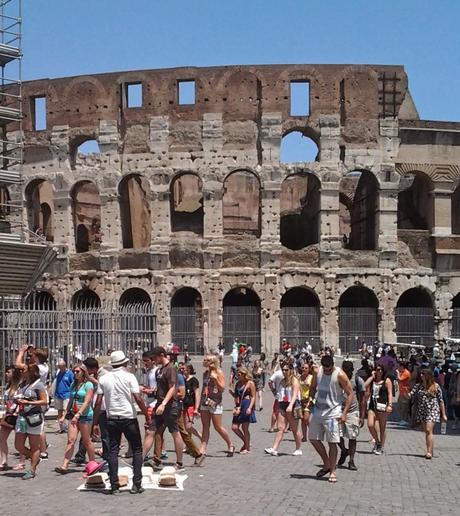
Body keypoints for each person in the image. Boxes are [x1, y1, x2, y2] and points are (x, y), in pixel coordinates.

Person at [94, 350, 149, 495]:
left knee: (113, 451)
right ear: (124, 362)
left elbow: (98, 402)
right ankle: (137, 484)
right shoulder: (130, 376)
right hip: (128, 418)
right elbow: (138, 398)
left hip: (112, 418)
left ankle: (114, 485)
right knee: (137, 449)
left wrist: (95, 423)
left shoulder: (104, 379)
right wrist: (146, 415)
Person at [309, 354, 353, 484]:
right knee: (313, 438)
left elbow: (350, 394)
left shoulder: (340, 375)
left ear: (333, 365)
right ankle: (327, 463)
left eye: (329, 369)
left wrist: (344, 413)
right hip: (318, 411)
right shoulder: (318, 371)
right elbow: (313, 387)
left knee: (332, 443)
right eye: (325, 369)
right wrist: (311, 399)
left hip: (333, 413)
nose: (327, 372)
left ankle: (333, 471)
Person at [55, 364, 96, 473]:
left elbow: (87, 401)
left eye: (77, 371)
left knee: (86, 441)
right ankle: (65, 465)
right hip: (73, 414)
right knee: (70, 440)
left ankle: (93, 463)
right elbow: (70, 400)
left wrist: (79, 414)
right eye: (74, 371)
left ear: (83, 372)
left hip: (85, 416)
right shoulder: (74, 384)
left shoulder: (88, 384)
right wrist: (65, 414)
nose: (75, 373)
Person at [149, 346, 185, 471]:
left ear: (161, 355)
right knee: (151, 431)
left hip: (169, 406)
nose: (153, 360)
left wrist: (164, 403)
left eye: (154, 357)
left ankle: (179, 462)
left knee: (175, 432)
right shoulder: (160, 370)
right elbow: (162, 388)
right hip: (159, 405)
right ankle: (141, 459)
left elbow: (172, 387)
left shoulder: (170, 369)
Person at [14, 364, 48, 480]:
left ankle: (32, 469)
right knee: (18, 445)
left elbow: (44, 401)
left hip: (34, 417)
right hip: (22, 416)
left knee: (34, 445)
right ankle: (35, 458)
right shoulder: (22, 384)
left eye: (24, 370)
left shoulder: (38, 385)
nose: (22, 372)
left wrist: (29, 403)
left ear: (31, 372)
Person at [199, 355, 234, 457]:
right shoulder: (205, 373)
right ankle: (202, 448)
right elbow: (204, 387)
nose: (204, 361)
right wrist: (199, 403)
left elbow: (222, 388)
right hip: (205, 401)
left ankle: (230, 444)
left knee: (217, 427)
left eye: (206, 360)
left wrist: (215, 379)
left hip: (215, 402)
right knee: (205, 426)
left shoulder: (219, 372)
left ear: (212, 362)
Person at [264, 363, 302, 456]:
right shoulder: (282, 381)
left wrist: (291, 405)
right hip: (282, 404)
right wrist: (276, 397)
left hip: (293, 405)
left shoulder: (294, 380)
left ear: (291, 370)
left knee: (294, 428)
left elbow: (295, 394)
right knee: (280, 427)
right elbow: (279, 393)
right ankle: (274, 448)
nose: (284, 372)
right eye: (283, 370)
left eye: (286, 370)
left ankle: (298, 448)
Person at [410, 368, 447, 459]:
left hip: (432, 410)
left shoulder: (435, 386)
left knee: (428, 429)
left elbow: (441, 400)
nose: (421, 375)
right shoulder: (418, 386)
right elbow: (411, 394)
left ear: (428, 375)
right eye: (421, 373)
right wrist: (405, 394)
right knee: (427, 432)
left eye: (423, 373)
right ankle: (430, 449)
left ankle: (429, 452)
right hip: (422, 411)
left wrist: (444, 414)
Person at [337, 361, 365, 471]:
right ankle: (344, 450)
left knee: (352, 437)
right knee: (335, 435)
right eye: (344, 370)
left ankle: (351, 460)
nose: (346, 372)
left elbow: (362, 399)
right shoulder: (338, 378)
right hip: (339, 410)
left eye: (348, 370)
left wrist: (362, 416)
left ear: (352, 370)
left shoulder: (357, 380)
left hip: (353, 411)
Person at [364, 364, 393, 455]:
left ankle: (381, 446)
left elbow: (390, 393)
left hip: (382, 405)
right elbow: (364, 386)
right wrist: (372, 377)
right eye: (377, 369)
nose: (379, 371)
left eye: (381, 370)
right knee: (370, 424)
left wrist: (390, 405)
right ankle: (377, 441)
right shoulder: (373, 380)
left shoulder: (387, 381)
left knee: (382, 427)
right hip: (373, 405)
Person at [0, 366, 23, 470]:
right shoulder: (9, 386)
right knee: (1, 438)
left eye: (8, 372)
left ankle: (22, 461)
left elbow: (21, 400)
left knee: (19, 440)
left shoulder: (19, 386)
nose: (6, 374)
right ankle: (4, 460)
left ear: (14, 373)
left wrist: (16, 411)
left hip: (17, 415)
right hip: (9, 415)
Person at [231, 367, 256, 453]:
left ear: (244, 374)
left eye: (239, 374)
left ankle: (247, 448)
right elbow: (237, 396)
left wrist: (250, 408)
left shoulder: (250, 383)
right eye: (237, 374)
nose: (238, 375)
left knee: (245, 427)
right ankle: (246, 442)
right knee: (234, 427)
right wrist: (233, 395)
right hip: (239, 406)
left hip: (247, 404)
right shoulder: (238, 383)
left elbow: (253, 396)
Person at [140, 350, 159, 462]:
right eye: (144, 361)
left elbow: (158, 389)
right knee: (150, 428)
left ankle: (143, 455)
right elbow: (148, 386)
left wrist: (147, 390)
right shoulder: (147, 372)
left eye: (147, 361)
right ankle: (159, 451)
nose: (145, 363)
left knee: (150, 430)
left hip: (154, 403)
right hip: (149, 402)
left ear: (153, 361)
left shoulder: (157, 372)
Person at [53, 360, 74, 433]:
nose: (60, 368)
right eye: (59, 367)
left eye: (61, 367)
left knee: (66, 410)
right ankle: (61, 427)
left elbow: (73, 383)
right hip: (58, 394)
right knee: (59, 411)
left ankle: (67, 427)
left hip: (66, 394)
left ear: (64, 366)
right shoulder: (58, 373)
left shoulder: (70, 373)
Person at [182, 364, 201, 441]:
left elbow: (197, 394)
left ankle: (201, 437)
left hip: (191, 405)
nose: (182, 370)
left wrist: (196, 408)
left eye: (184, 369)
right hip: (183, 405)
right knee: (185, 427)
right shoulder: (183, 380)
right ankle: (189, 445)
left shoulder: (194, 380)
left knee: (188, 426)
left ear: (189, 370)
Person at [298, 362, 313, 442]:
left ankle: (313, 432)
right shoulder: (299, 378)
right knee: (302, 419)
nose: (304, 369)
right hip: (301, 400)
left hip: (309, 400)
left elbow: (314, 389)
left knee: (306, 418)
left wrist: (309, 386)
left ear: (309, 369)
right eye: (303, 367)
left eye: (306, 368)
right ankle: (304, 437)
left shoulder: (311, 378)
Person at [268, 362, 284, 432]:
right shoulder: (290, 372)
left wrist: (273, 391)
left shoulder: (278, 373)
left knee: (275, 411)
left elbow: (269, 382)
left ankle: (272, 427)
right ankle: (283, 427)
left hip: (279, 395)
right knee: (285, 412)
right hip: (287, 395)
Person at [396, 362, 411, 426]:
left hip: (405, 391)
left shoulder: (406, 373)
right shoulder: (402, 372)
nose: (398, 368)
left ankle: (405, 419)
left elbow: (399, 379)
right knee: (400, 406)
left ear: (402, 367)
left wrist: (397, 373)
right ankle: (403, 419)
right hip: (402, 391)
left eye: (399, 366)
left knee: (404, 406)